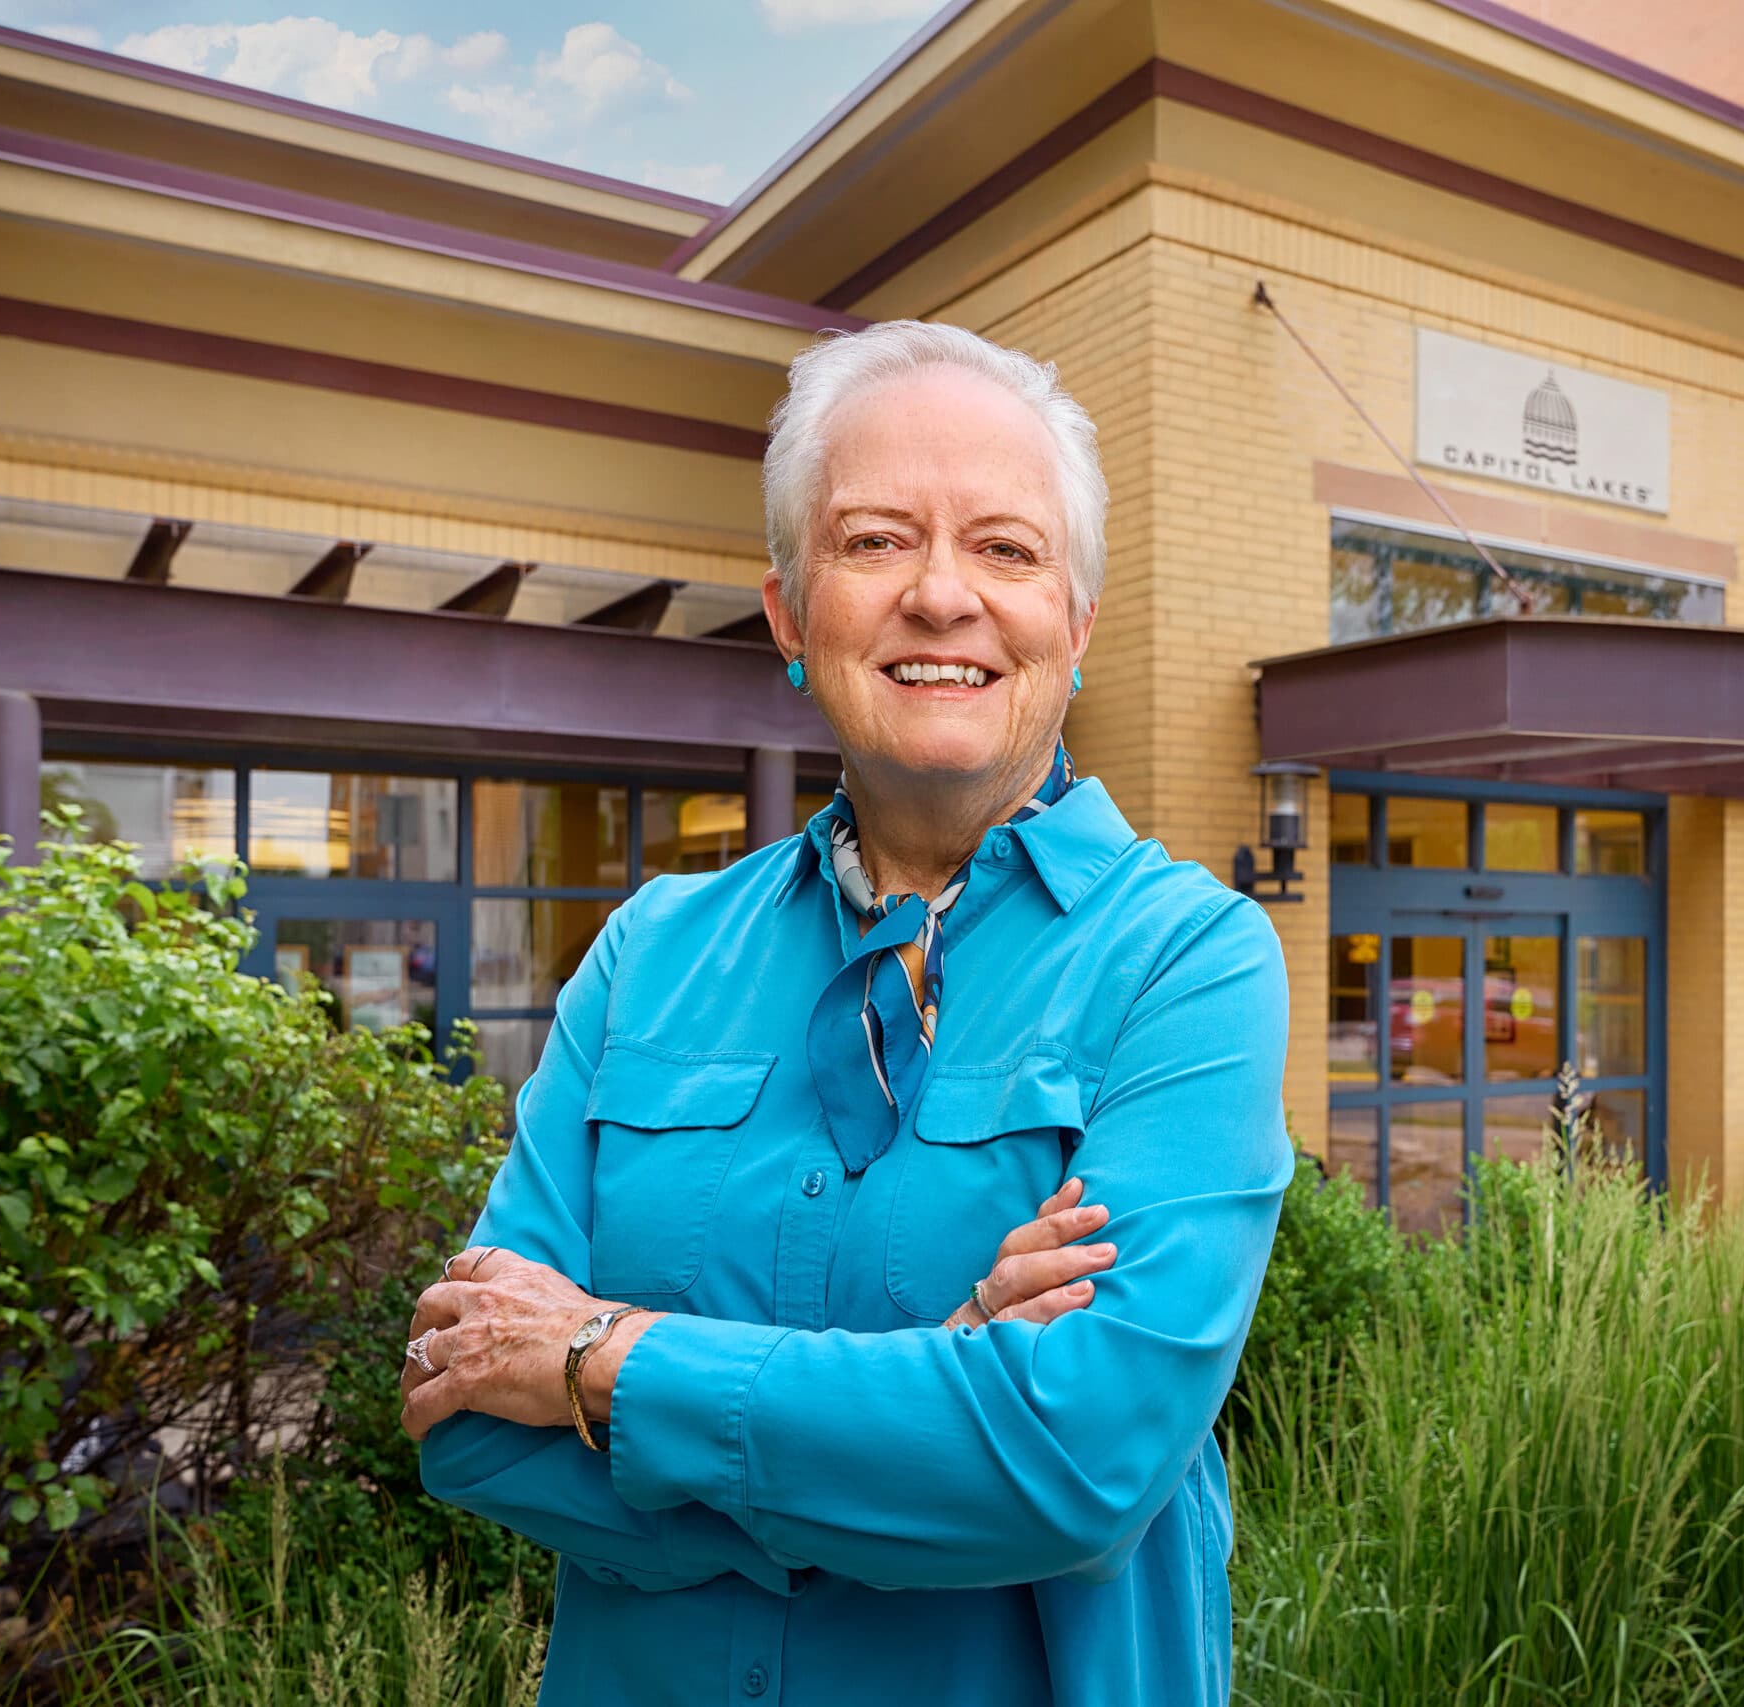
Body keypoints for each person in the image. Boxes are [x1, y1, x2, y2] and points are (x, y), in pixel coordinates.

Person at [399, 320, 1293, 1706]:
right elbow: (462, 1416)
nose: (944, 597)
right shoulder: (649, 952)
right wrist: (929, 1410)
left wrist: (598, 1361)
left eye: (1005, 549)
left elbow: (1076, 1463)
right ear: (790, 615)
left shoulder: (1190, 963)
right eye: (876, 541)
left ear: (1078, 624)